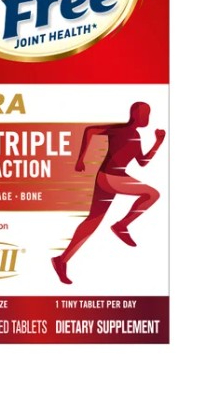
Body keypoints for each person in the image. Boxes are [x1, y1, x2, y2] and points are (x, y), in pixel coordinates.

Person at [51, 101, 165, 284]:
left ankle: (61, 260)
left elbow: (143, 162)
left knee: (92, 222)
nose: (147, 117)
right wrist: (81, 158)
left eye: (148, 114)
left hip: (109, 179)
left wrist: (158, 142)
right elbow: (90, 131)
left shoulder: (136, 136)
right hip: (111, 178)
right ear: (135, 114)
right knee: (152, 194)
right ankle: (121, 225)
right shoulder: (120, 130)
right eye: (144, 114)